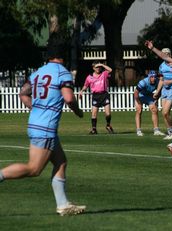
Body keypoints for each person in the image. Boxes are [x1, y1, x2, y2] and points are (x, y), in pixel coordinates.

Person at [0, 33, 86, 216]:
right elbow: (69, 98)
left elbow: (23, 93)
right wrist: (78, 111)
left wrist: (37, 107)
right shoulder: (62, 72)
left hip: (37, 124)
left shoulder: (39, 72)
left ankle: (63, 205)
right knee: (34, 169)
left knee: (61, 162)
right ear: (63, 54)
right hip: (46, 128)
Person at [78, 61, 114, 134]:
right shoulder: (89, 77)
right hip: (96, 96)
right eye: (96, 67)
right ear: (93, 68)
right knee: (94, 113)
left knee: (108, 113)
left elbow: (110, 70)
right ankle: (94, 129)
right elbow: (86, 85)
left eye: (99, 67)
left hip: (104, 94)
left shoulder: (104, 73)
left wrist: (102, 64)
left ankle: (108, 125)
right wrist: (81, 91)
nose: (98, 68)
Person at [155, 48, 172, 140]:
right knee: (164, 113)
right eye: (163, 53)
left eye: (167, 53)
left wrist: (171, 81)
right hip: (165, 90)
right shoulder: (161, 66)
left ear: (170, 54)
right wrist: (157, 91)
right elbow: (161, 80)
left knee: (165, 112)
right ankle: (170, 132)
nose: (165, 55)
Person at [134, 70, 166, 136]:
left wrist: (156, 99)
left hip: (148, 96)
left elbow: (160, 91)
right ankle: (138, 131)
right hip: (140, 95)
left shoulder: (157, 81)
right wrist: (138, 101)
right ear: (149, 77)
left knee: (154, 109)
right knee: (139, 110)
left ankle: (156, 130)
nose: (153, 78)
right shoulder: (143, 82)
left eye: (154, 77)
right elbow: (136, 92)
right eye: (151, 77)